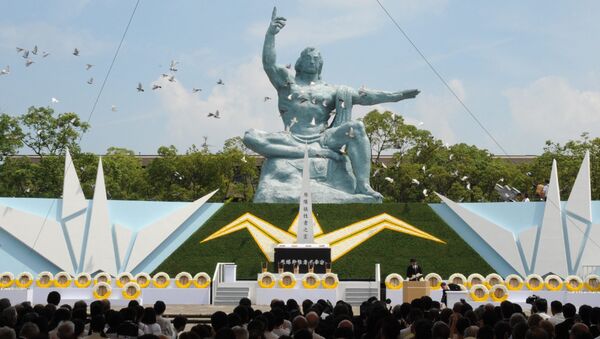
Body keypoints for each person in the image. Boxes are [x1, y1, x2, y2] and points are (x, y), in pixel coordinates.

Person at [243, 7, 419, 201]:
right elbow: (269, 64)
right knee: (250, 136)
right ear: (299, 63)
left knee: (357, 128)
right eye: (307, 58)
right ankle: (307, 152)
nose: (312, 61)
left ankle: (363, 185)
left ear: (321, 64)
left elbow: (365, 96)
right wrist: (271, 34)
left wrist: (396, 96)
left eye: (316, 59)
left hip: (323, 138)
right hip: (291, 138)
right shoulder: (287, 83)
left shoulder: (331, 90)